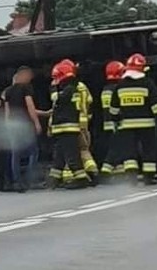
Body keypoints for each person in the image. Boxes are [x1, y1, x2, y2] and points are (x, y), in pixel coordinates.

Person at [109, 53, 157, 186]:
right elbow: (156, 104)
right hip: (147, 125)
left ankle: (131, 178)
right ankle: (149, 177)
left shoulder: (120, 85)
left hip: (126, 126)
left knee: (129, 152)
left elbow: (113, 107)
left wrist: (115, 120)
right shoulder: (148, 83)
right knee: (149, 150)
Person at [48, 61, 89, 189]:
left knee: (72, 155)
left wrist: (53, 88)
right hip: (63, 128)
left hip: (67, 128)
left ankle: (81, 179)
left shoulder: (70, 89)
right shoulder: (72, 88)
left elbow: (57, 99)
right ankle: (53, 180)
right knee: (59, 156)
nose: (55, 81)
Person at [3, 66, 43, 192]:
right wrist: (36, 122)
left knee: (16, 154)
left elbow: (7, 112)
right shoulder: (27, 88)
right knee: (33, 151)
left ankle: (17, 182)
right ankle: (30, 180)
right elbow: (30, 107)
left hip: (14, 125)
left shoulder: (8, 91)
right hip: (25, 124)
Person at [59, 59, 98, 180]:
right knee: (84, 148)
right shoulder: (82, 87)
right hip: (84, 122)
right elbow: (89, 102)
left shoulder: (67, 89)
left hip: (73, 123)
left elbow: (59, 104)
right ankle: (92, 170)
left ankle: (69, 176)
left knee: (71, 150)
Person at [99, 60, 126, 183]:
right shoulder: (117, 89)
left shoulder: (106, 89)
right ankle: (105, 171)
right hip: (117, 124)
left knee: (118, 149)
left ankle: (120, 172)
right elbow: (119, 108)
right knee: (116, 149)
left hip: (108, 125)